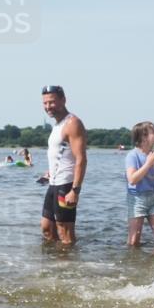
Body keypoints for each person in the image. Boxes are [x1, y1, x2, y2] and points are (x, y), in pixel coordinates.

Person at [40, 85, 87, 245]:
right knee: (47, 228)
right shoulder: (57, 125)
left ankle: (69, 259)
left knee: (65, 232)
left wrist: (75, 190)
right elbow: (61, 154)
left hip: (66, 185)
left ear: (63, 100)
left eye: (52, 102)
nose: (48, 106)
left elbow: (81, 159)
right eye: (45, 103)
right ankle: (55, 259)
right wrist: (50, 172)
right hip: (53, 183)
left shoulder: (72, 123)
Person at [125, 121, 154, 246]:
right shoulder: (132, 156)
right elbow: (132, 179)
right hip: (137, 199)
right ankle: (133, 258)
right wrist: (148, 163)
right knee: (134, 240)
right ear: (143, 137)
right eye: (153, 132)